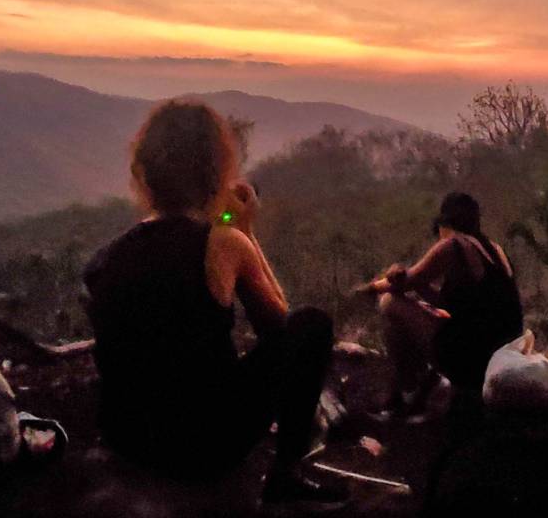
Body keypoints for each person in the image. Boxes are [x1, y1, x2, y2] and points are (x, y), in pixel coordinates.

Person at [82, 99, 348, 505]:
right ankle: (285, 474)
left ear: (146, 172)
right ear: (214, 172)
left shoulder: (107, 258)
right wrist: (245, 229)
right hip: (204, 444)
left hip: (128, 439)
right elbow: (280, 327)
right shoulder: (222, 242)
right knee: (312, 323)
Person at [360, 192, 524, 423]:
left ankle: (410, 391)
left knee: (389, 303)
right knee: (420, 312)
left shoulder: (453, 244)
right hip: (501, 354)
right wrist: (420, 291)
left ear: (444, 224)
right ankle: (418, 389)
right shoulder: (494, 250)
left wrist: (370, 287)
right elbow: (457, 303)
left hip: (474, 360)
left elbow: (402, 283)